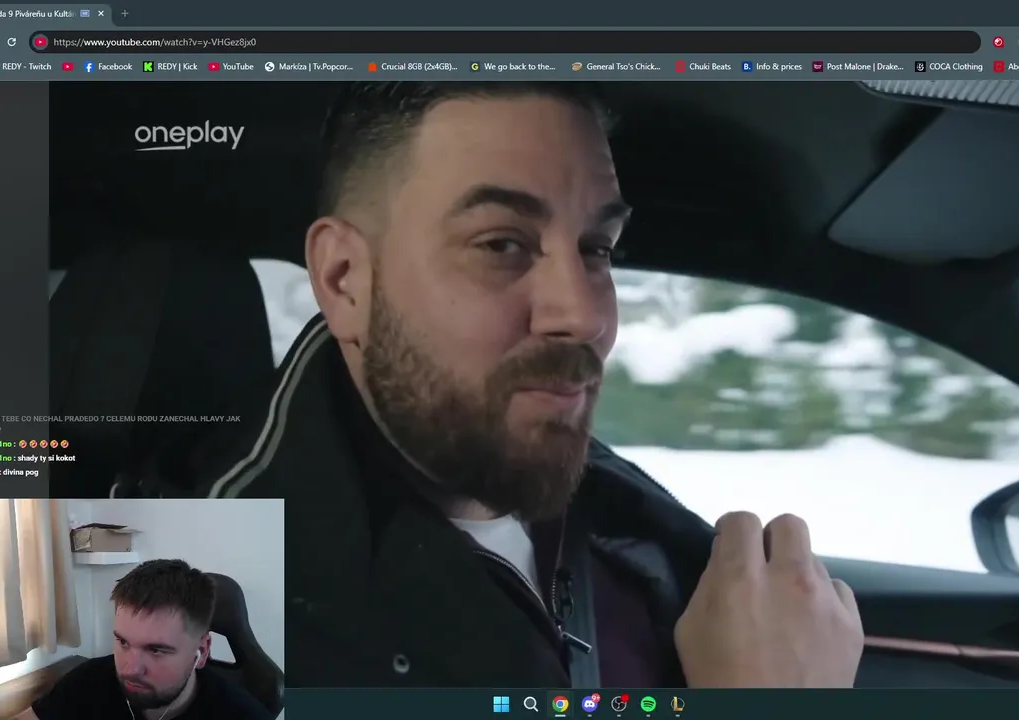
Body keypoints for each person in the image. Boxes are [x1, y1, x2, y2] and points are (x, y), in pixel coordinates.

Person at [134, 81, 864, 688]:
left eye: (597, 248)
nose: (584, 315)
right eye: (502, 244)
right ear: (345, 279)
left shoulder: (607, 515)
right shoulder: (216, 625)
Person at [16, 559, 272, 720]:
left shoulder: (241, 713)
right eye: (123, 642)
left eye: (156, 650)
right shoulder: (88, 682)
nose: (131, 669)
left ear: (202, 651)